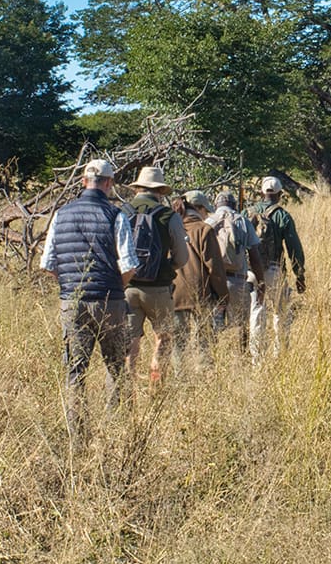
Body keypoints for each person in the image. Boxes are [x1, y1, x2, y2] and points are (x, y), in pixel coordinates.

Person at [39, 159, 138, 447]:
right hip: (110, 300)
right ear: (109, 183)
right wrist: (117, 288)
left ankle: (77, 439)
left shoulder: (61, 214)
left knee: (75, 371)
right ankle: (114, 432)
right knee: (115, 367)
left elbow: (47, 264)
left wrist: (70, 286)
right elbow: (129, 264)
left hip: (72, 301)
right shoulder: (116, 215)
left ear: (83, 182)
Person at [123, 165, 189, 388]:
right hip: (159, 288)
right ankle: (156, 387)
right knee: (164, 337)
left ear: (137, 188)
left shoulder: (122, 212)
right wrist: (165, 266)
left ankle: (128, 390)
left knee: (130, 341)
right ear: (160, 191)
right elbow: (182, 258)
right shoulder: (169, 216)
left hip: (127, 287)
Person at [247, 175, 306, 358]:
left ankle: (258, 359)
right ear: (280, 194)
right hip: (274, 270)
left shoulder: (247, 213)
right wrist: (299, 275)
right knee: (281, 312)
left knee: (257, 312)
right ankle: (280, 354)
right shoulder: (282, 216)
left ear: (261, 193)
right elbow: (294, 248)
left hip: (250, 271)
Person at [173, 190, 229, 367]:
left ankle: (179, 378)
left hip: (175, 294)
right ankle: (203, 376)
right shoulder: (204, 229)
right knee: (204, 343)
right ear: (199, 209)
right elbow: (215, 268)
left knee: (178, 344)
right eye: (205, 211)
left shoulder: (172, 228)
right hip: (201, 294)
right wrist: (223, 296)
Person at [206, 190, 266, 347]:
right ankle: (240, 356)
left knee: (213, 327)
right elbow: (255, 256)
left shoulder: (208, 222)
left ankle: (215, 356)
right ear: (234, 205)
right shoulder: (243, 221)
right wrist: (261, 283)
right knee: (240, 326)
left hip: (214, 282)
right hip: (238, 281)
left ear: (216, 205)